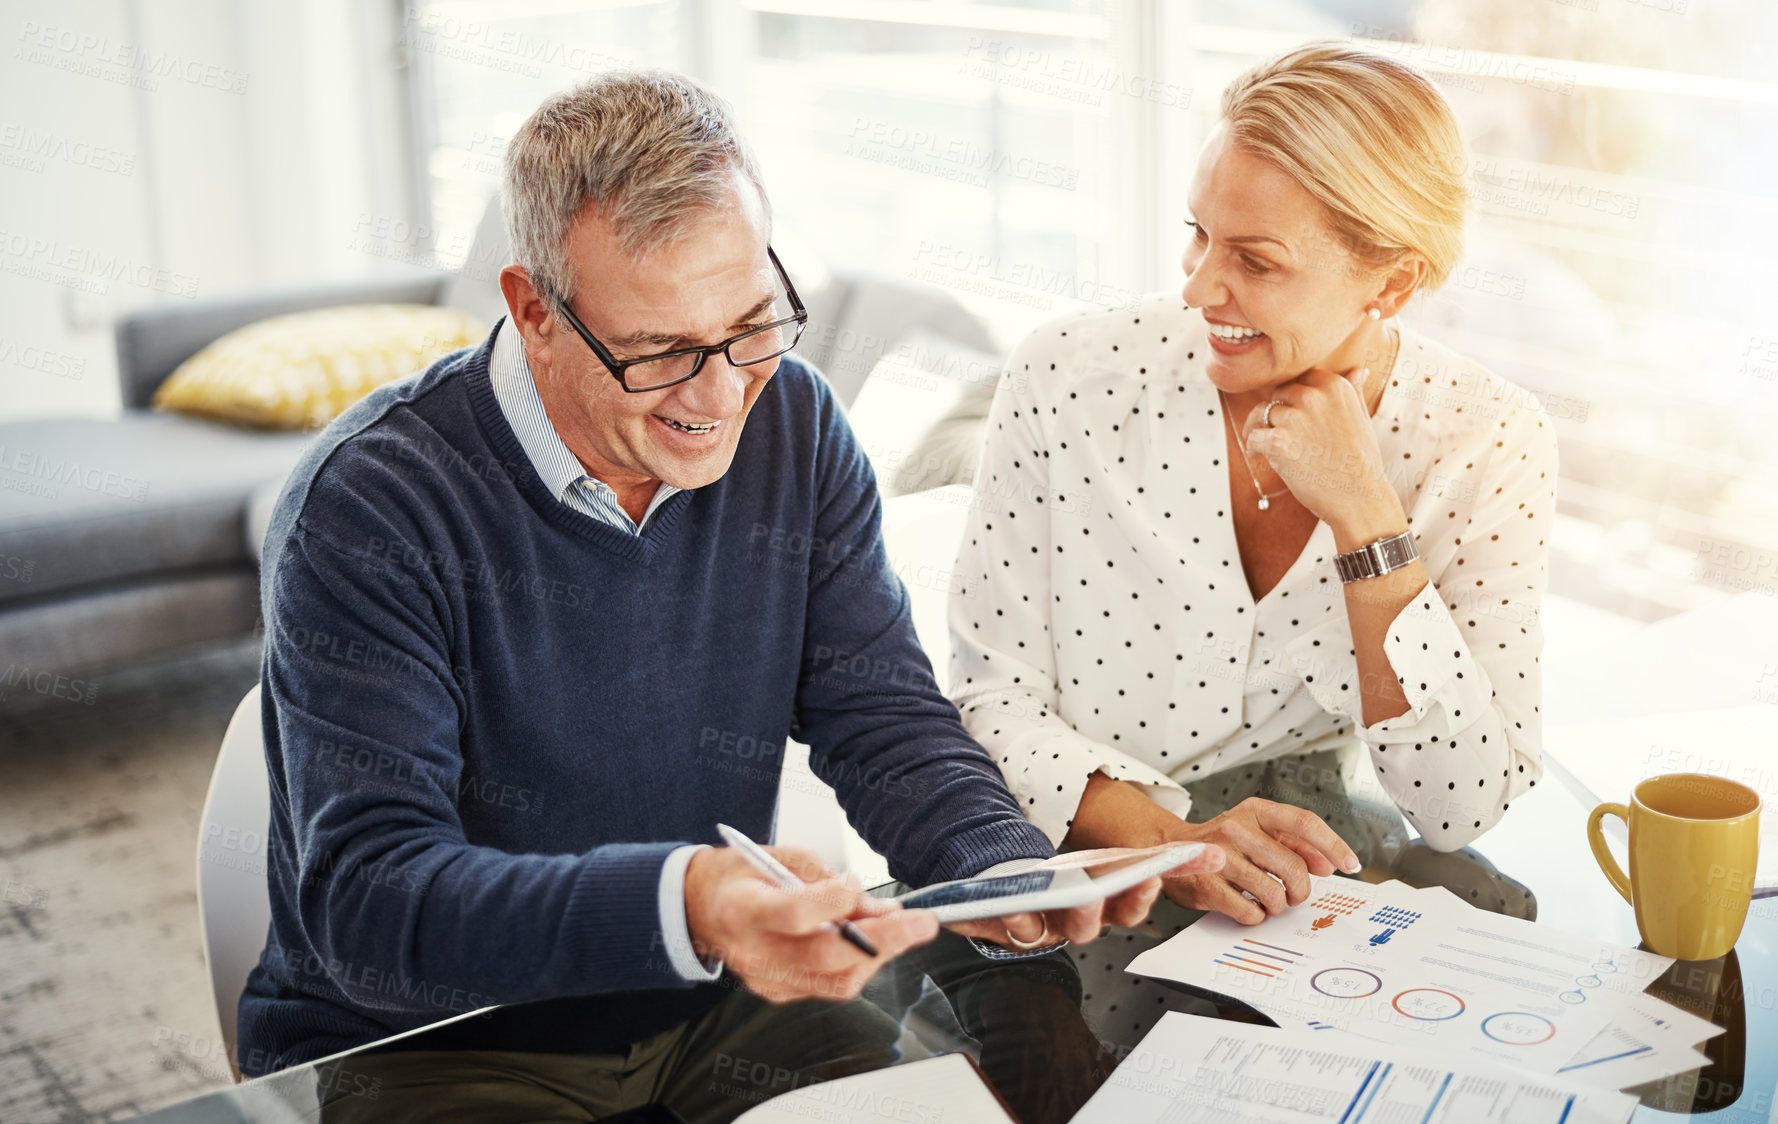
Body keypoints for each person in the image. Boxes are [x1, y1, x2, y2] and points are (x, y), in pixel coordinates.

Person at [241, 69, 1214, 1118]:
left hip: (720, 1001)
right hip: (441, 1040)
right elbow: (369, 900)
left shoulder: (791, 421)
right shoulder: (371, 507)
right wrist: (686, 902)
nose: (719, 396)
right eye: (660, 353)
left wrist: (1000, 870)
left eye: (753, 322)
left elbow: (880, 717)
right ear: (533, 310)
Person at [950, 42, 1556, 926]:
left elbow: (1459, 806)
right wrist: (1168, 841)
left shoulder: (1487, 439)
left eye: (1256, 262)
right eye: (1196, 234)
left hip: (1309, 903)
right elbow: (985, 699)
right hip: (1084, 887)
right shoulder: (1068, 377)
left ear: (1392, 280)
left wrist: (1365, 516)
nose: (1199, 289)